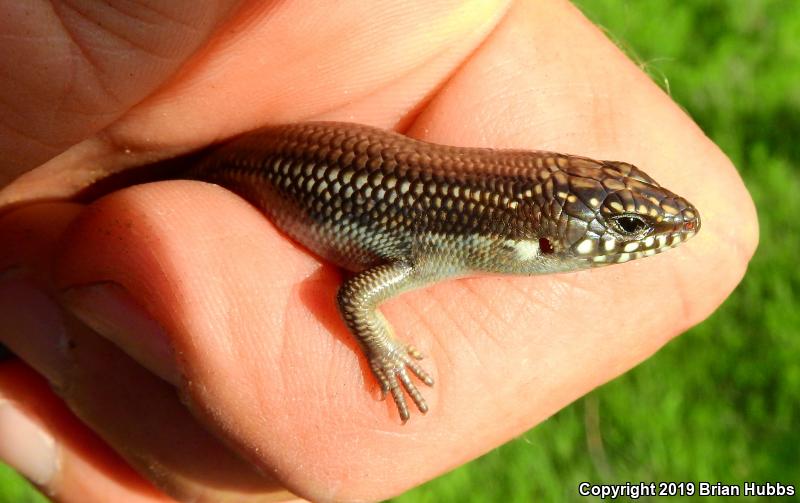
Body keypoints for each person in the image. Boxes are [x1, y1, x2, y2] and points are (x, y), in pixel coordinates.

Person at [0, 1, 757, 501]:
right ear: (548, 238)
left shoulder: (471, 223)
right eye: (624, 227)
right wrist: (386, 353)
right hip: (228, 178)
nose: (647, 234)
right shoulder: (438, 247)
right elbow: (356, 296)